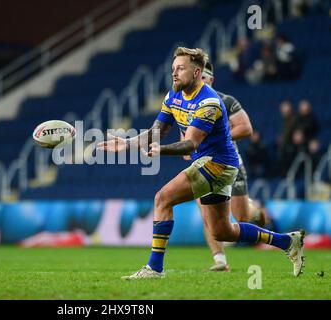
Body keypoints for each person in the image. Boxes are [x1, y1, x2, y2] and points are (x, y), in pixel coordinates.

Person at [98, 47, 305, 279]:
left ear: (197, 72)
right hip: (212, 164)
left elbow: (190, 144)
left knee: (162, 198)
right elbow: (156, 131)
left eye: (181, 68)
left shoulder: (209, 102)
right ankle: (287, 241)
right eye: (173, 69)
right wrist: (126, 144)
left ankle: (154, 268)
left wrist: (161, 150)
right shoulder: (173, 95)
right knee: (221, 231)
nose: (174, 73)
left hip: (218, 164)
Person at [198, 61, 254, 272]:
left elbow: (246, 128)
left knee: (243, 219)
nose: (199, 81)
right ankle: (220, 260)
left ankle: (253, 207)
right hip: (202, 167)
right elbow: (185, 139)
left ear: (211, 80)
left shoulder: (226, 101)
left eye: (203, 77)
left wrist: (217, 137)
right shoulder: (188, 104)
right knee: (207, 217)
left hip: (231, 165)